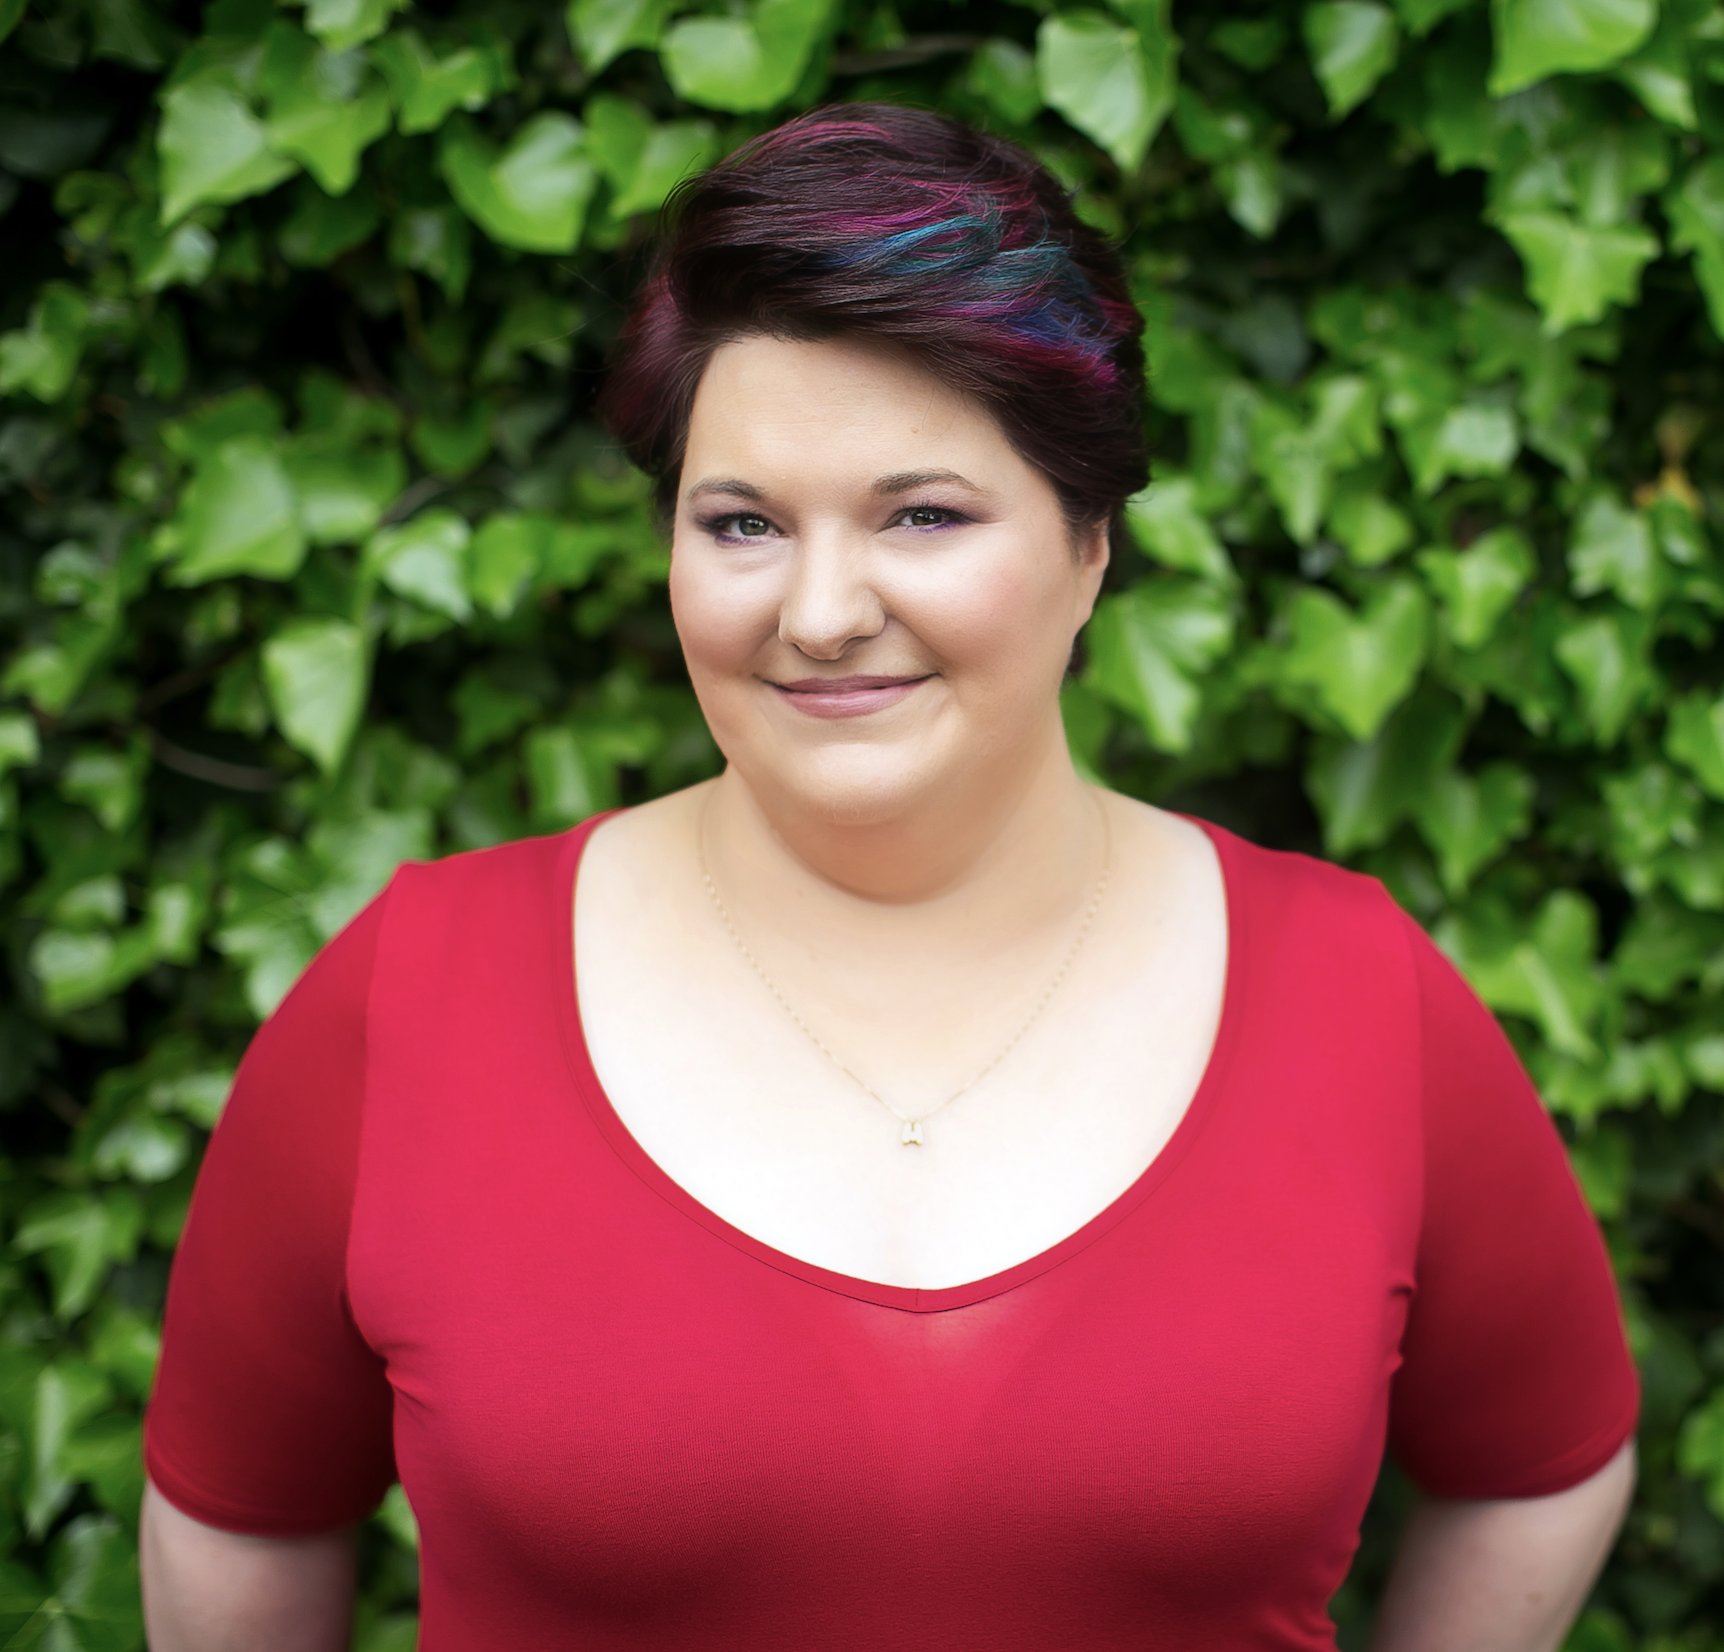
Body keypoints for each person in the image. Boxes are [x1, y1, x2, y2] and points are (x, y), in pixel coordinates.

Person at [139, 104, 1638, 1651]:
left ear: (1091, 545)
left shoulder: (1354, 992)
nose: (822, 612)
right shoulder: (413, 997)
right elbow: (241, 1521)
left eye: (921, 514)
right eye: (742, 523)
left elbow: (1540, 1464)